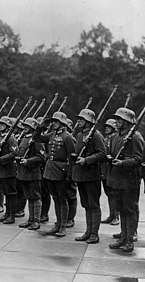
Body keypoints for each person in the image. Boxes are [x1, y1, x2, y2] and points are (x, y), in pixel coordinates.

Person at [107, 107, 144, 253]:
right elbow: (112, 153)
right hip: (117, 179)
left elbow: (138, 159)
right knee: (121, 209)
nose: (116, 122)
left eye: (119, 120)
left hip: (129, 180)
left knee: (130, 210)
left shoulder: (135, 137)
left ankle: (129, 240)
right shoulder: (116, 137)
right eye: (116, 119)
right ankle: (123, 237)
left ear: (127, 122)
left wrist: (123, 163)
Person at [33, 112, 75, 237]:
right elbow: (36, 138)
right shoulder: (51, 134)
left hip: (61, 171)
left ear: (62, 123)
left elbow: (72, 158)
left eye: (56, 122)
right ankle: (57, 224)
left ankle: (63, 226)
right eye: (53, 122)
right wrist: (41, 127)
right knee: (55, 198)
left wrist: (69, 175)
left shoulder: (67, 137)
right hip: (50, 170)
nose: (54, 124)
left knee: (62, 199)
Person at [71, 109, 106, 244]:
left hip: (92, 175)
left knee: (93, 204)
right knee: (86, 204)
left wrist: (87, 160)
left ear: (88, 121)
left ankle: (94, 234)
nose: (78, 121)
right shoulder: (80, 135)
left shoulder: (96, 135)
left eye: (81, 119)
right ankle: (88, 231)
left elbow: (102, 153)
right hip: (81, 175)